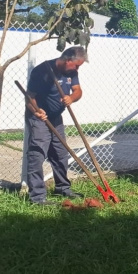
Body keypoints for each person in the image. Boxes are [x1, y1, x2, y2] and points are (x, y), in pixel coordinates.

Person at [24, 46, 88, 205]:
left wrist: (72, 98)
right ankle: (37, 197)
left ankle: (62, 188)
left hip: (56, 118)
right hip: (39, 118)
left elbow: (78, 90)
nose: (78, 69)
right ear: (68, 60)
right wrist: (37, 111)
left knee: (60, 154)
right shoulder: (42, 71)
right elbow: (29, 98)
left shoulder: (71, 72)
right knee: (37, 154)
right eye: (77, 65)